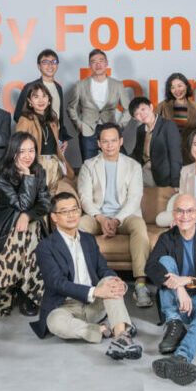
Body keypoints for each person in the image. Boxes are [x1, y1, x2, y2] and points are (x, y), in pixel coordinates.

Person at [31, 192, 143, 360]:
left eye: (74, 210)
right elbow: (57, 283)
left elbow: (103, 268)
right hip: (66, 307)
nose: (71, 215)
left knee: (110, 281)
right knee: (54, 322)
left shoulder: (88, 239)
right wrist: (95, 291)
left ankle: (121, 337)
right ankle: (102, 329)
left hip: (94, 305)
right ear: (54, 217)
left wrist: (118, 281)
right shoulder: (45, 247)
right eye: (64, 211)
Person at [147, 194, 196, 386]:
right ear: (173, 214)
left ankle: (180, 358)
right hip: (176, 301)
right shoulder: (166, 238)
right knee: (165, 262)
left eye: (190, 211)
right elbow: (150, 267)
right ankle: (174, 323)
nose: (185, 216)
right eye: (180, 211)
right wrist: (179, 289)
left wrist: (186, 281)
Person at [76, 123, 152, 308]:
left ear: (121, 141)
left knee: (139, 226)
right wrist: (101, 218)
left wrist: (117, 220)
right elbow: (85, 198)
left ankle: (141, 284)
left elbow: (134, 198)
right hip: (97, 216)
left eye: (113, 141)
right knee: (78, 226)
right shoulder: (89, 165)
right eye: (105, 141)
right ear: (99, 143)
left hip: (125, 216)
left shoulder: (133, 166)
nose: (109, 145)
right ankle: (81, 280)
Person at [0, 131, 51, 317]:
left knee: (31, 227)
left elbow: (45, 204)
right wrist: (27, 177)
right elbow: (22, 204)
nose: (28, 156)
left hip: (31, 225)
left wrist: (27, 216)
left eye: (31, 150)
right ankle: (26, 291)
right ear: (13, 152)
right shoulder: (1, 175)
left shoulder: (39, 171)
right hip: (5, 228)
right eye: (22, 151)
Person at [66, 48, 132, 162]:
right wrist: (79, 125)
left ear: (106, 63)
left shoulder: (117, 85)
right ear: (89, 65)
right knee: (89, 165)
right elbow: (71, 108)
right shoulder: (80, 85)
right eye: (94, 62)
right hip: (88, 130)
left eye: (101, 61)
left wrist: (119, 126)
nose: (98, 64)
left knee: (120, 163)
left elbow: (128, 108)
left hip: (110, 129)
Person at [15, 82, 75, 194]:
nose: (41, 100)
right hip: (36, 164)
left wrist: (60, 146)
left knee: (58, 196)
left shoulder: (53, 120)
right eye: (36, 96)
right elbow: (17, 145)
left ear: (49, 100)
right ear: (29, 101)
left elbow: (53, 142)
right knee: (39, 197)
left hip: (54, 164)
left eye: (44, 96)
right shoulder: (25, 119)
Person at [13, 49, 72, 148]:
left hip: (56, 138)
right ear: (39, 66)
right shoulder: (30, 87)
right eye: (45, 62)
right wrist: (35, 131)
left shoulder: (58, 87)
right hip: (36, 138)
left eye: (53, 62)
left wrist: (63, 137)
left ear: (57, 65)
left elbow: (59, 117)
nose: (50, 65)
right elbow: (18, 115)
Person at [129, 96, 183, 188]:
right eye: (137, 114)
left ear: (151, 107)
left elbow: (175, 157)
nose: (142, 115)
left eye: (143, 109)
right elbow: (137, 153)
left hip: (163, 177)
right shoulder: (140, 129)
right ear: (135, 118)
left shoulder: (168, 126)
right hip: (144, 172)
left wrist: (176, 184)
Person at [155, 73, 196, 160]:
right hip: (167, 155)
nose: (177, 90)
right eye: (173, 87)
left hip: (189, 155)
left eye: (179, 86)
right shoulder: (162, 106)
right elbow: (153, 132)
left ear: (186, 86)